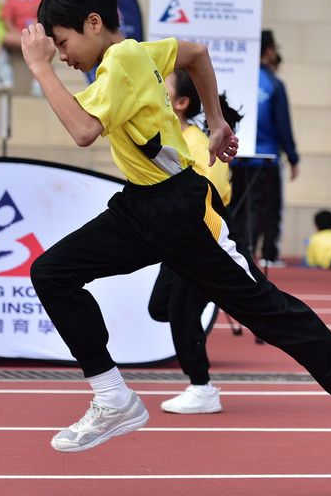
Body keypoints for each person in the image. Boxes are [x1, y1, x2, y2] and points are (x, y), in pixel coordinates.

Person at [20, 0, 331, 493]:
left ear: (94, 23)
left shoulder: (121, 61)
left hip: (183, 213)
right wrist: (217, 121)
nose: (62, 56)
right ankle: (113, 397)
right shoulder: (138, 53)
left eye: (64, 42)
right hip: (143, 207)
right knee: (53, 272)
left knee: (271, 317)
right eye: (56, 50)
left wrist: (39, 68)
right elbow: (198, 54)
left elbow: (83, 130)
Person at [147, 69, 242, 415]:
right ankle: (215, 290)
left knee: (180, 311)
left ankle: (201, 388)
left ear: (182, 103)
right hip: (177, 239)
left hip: (203, 236)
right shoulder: (163, 136)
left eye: (163, 88)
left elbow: (216, 194)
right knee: (161, 307)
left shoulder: (199, 145)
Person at [229, 29, 299, 268]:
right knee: (267, 209)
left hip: (239, 157)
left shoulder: (240, 79)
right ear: (269, 51)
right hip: (266, 158)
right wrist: (293, 157)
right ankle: (268, 253)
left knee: (239, 206)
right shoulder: (274, 84)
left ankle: (239, 252)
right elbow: (283, 124)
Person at [1, 0, 42, 96]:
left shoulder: (38, 0)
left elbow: (43, 19)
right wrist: (20, 33)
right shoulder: (12, 1)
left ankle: (37, 83)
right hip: (17, 35)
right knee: (6, 37)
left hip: (34, 33)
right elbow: (7, 22)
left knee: (36, 43)